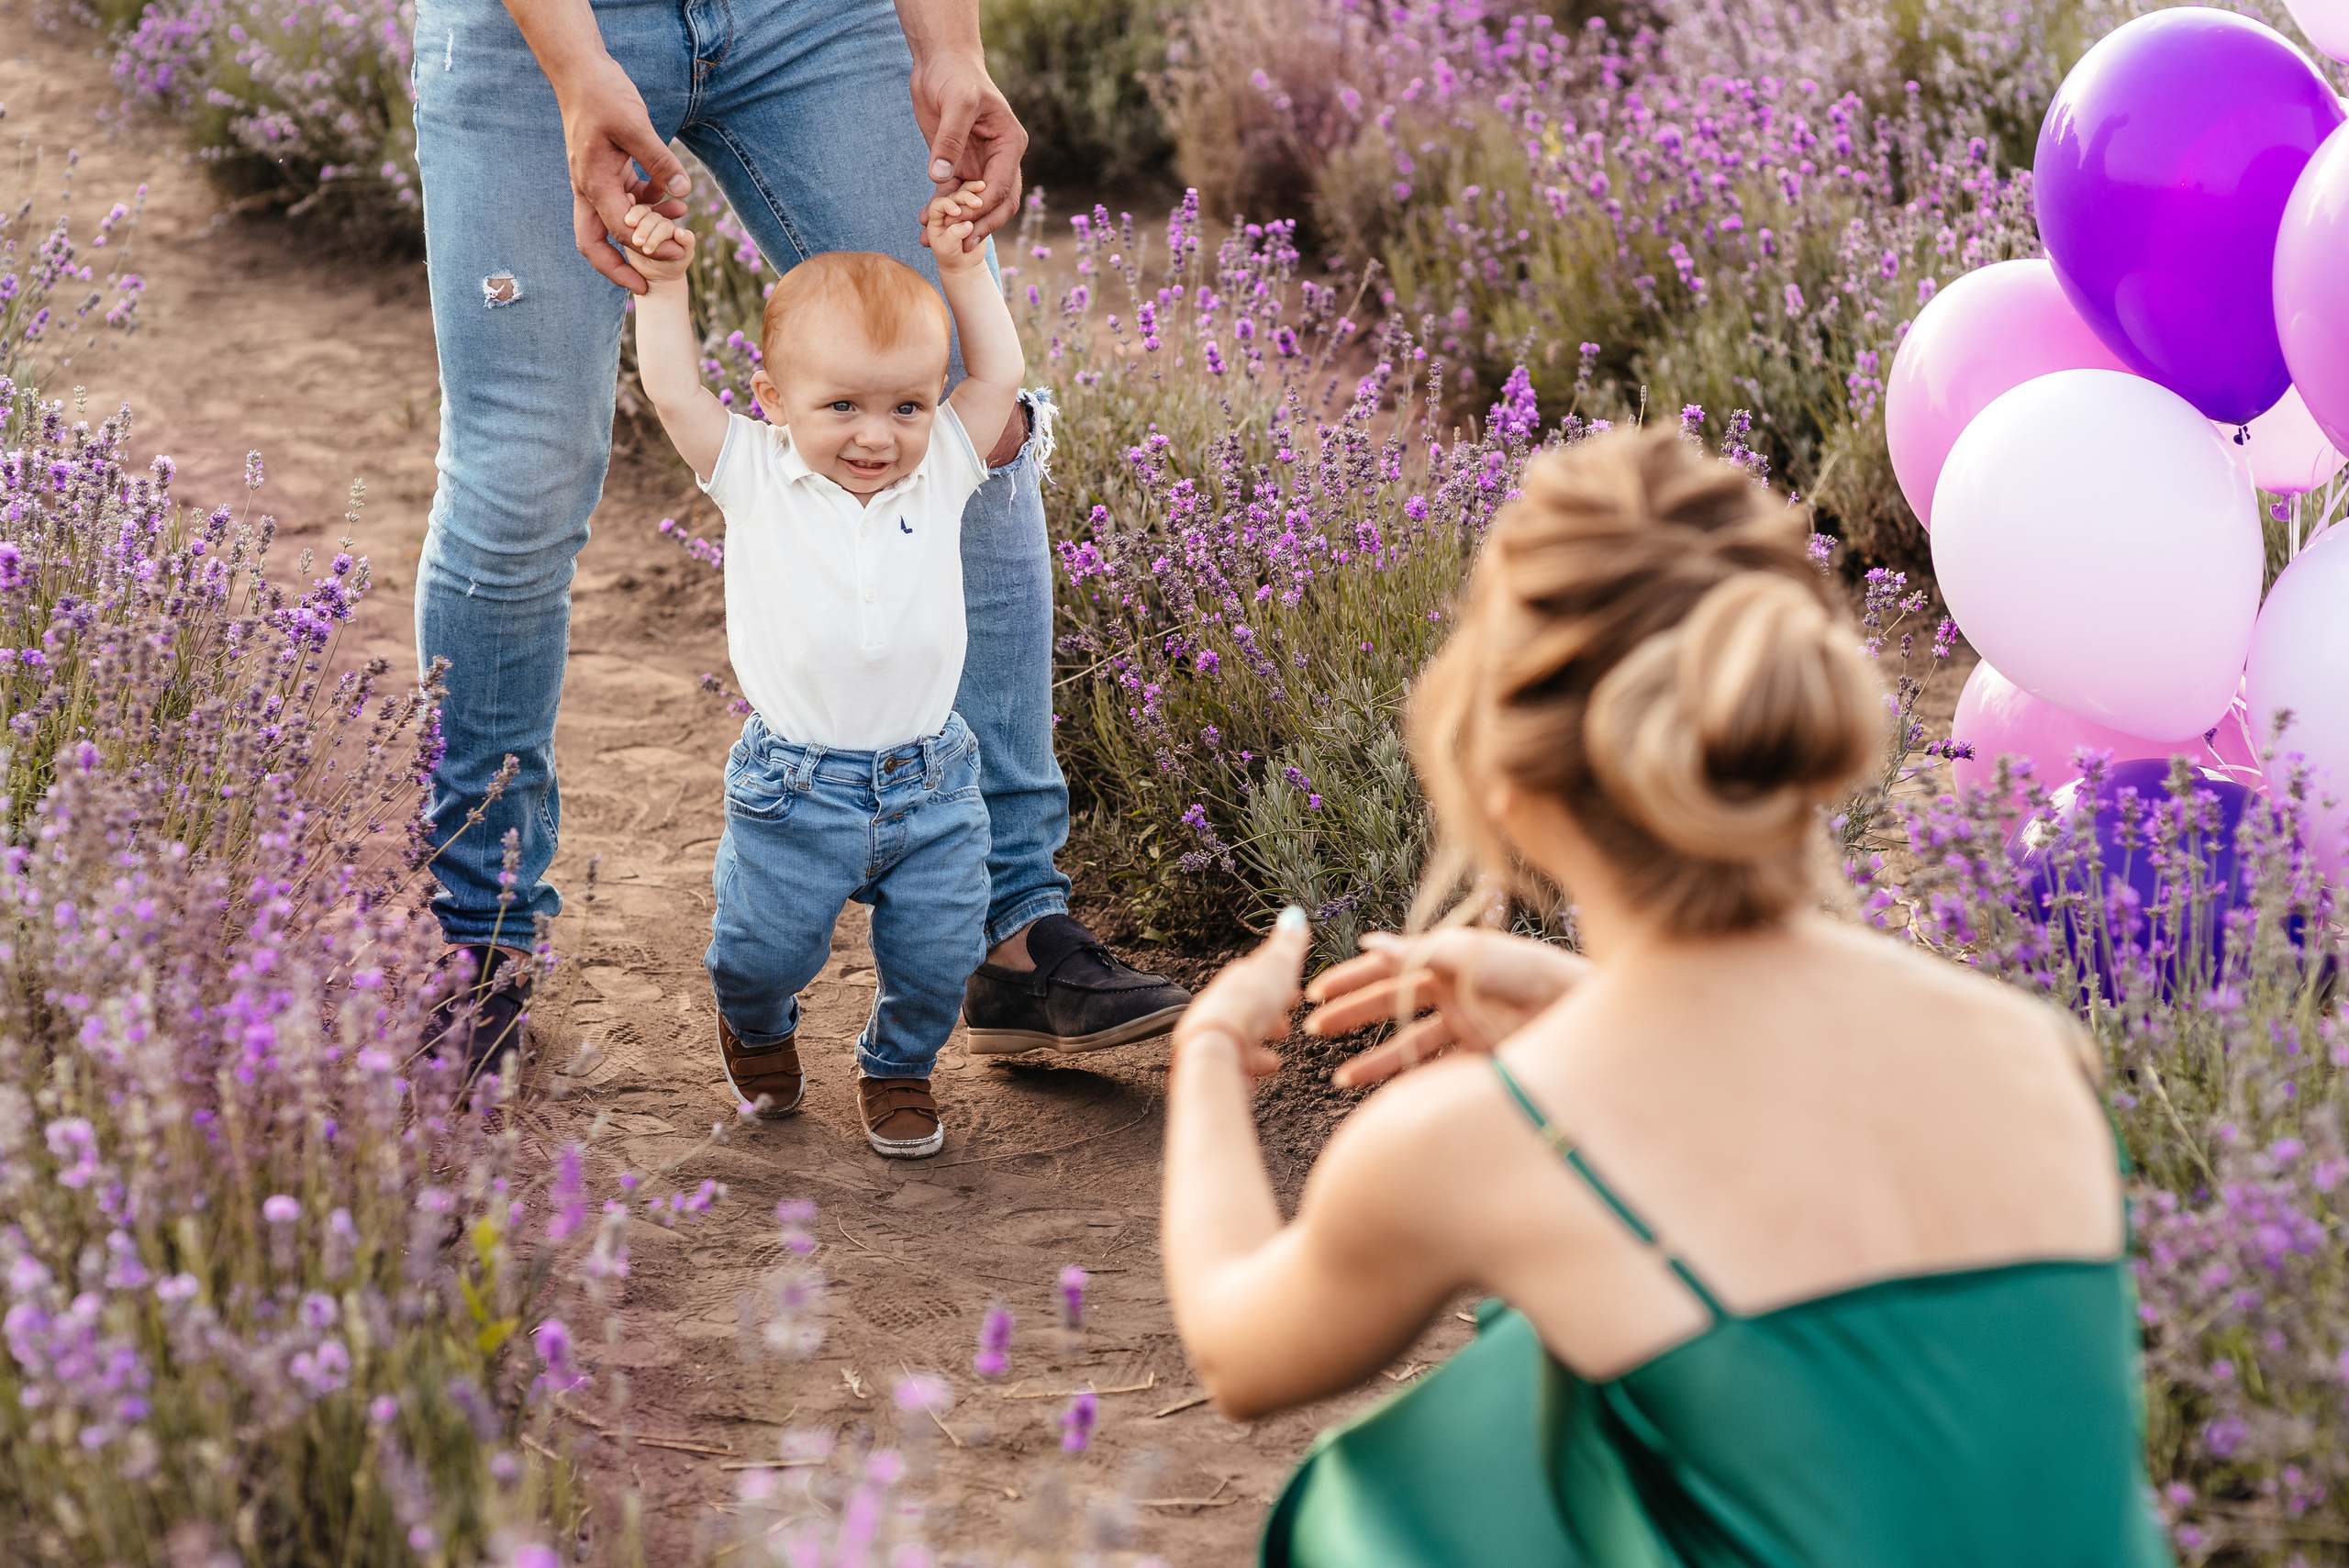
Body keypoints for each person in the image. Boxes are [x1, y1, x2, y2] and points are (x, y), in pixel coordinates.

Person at [1158, 429, 2173, 1565]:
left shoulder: (1491, 1140)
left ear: (1511, 777)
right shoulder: (2039, 1051)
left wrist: (1204, 1049)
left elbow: (1238, 1351)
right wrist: (1591, 1000)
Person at [412, 0, 1187, 1069]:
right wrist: (577, 64)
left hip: (813, 15)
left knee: (971, 417)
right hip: (538, 27)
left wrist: (951, 48)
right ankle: (476, 947)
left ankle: (1010, 925)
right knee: (519, 474)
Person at [618, 184, 1013, 1155]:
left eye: (906, 405)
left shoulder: (942, 465)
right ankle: (753, 1022)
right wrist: (664, 286)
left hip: (931, 780)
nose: (876, 436)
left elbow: (997, 375)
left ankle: (898, 1066)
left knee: (939, 952)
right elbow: (672, 392)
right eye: (840, 406)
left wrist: (963, 270)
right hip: (794, 788)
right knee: (762, 951)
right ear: (773, 402)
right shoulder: (754, 469)